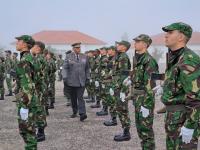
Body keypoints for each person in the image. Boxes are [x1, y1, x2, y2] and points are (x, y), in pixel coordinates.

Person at [155, 22, 200, 149]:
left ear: (181, 37)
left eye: (170, 32)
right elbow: (178, 81)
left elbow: (196, 98)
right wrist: (164, 87)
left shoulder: (188, 59)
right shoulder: (175, 56)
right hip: (173, 118)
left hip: (183, 119)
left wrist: (190, 125)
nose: (165, 36)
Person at [125, 34, 158, 149]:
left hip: (145, 99)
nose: (135, 43)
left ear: (145, 44)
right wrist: (131, 80)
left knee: (146, 129)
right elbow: (135, 74)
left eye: (138, 42)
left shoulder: (149, 60)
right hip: (137, 98)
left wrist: (147, 105)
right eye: (135, 41)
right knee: (140, 127)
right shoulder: (136, 58)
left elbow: (151, 86)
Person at [15, 35, 37, 149]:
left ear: (25, 44)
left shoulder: (24, 60)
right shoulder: (29, 58)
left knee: (27, 130)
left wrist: (24, 105)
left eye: (19, 41)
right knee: (26, 129)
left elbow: (27, 85)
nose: (17, 42)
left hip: (27, 100)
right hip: (27, 97)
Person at [62, 42, 90, 121]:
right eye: (77, 48)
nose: (78, 49)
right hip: (71, 81)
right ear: (73, 49)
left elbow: (87, 68)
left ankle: (82, 113)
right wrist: (65, 77)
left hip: (81, 81)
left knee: (80, 97)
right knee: (73, 98)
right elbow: (65, 68)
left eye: (79, 48)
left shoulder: (84, 56)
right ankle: (75, 111)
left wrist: (88, 77)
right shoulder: (68, 56)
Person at [112, 40, 131, 142]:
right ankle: (125, 130)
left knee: (123, 109)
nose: (117, 46)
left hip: (121, 88)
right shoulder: (119, 56)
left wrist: (123, 90)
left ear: (124, 47)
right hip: (117, 87)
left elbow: (125, 75)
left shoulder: (123, 57)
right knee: (120, 109)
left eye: (120, 45)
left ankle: (126, 133)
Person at [31, 41, 47, 142]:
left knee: (39, 110)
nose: (31, 48)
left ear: (38, 48)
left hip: (38, 88)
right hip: (37, 87)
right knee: (38, 109)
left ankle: (41, 133)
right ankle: (40, 130)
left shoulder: (39, 59)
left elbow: (38, 75)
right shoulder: (36, 58)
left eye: (33, 46)